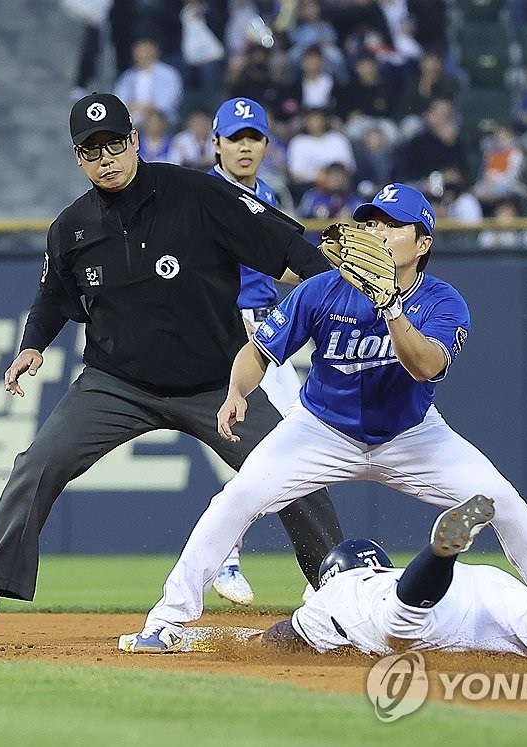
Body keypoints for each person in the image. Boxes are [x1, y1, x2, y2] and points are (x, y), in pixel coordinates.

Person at [0, 92, 346, 645]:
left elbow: (285, 243)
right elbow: (53, 298)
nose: (106, 158)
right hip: (115, 385)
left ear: (135, 142)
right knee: (37, 465)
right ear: (78, 158)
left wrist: (335, 291)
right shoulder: (71, 228)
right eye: (91, 150)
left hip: (216, 384)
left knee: (293, 472)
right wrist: (33, 344)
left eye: (114, 144)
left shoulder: (197, 194)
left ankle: (342, 596)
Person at [123, 183, 527, 651]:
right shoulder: (323, 289)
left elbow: (425, 366)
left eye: (393, 226)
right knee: (237, 497)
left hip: (412, 436)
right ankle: (167, 620)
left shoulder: (444, 302)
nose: (377, 233)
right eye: (372, 222)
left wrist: (390, 308)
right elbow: (259, 350)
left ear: (423, 244)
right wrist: (237, 390)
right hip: (320, 430)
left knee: (501, 498)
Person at [125, 496, 527, 660]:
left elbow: (280, 642)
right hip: (486, 587)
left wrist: (222, 643)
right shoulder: (370, 575)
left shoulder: (337, 592)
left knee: (402, 621)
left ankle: (439, 553)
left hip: (414, 604)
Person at [206, 96, 311, 605]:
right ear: (217, 144)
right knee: (282, 443)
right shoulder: (205, 193)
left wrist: (325, 269)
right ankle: (226, 554)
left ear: (266, 145)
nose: (245, 147)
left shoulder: (265, 192)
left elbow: (276, 269)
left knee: (295, 442)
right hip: (232, 330)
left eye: (254, 138)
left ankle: (318, 575)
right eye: (235, 138)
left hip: (270, 327)